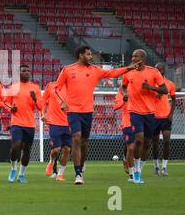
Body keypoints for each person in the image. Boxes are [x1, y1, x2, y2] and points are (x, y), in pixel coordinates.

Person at [55, 45, 139, 184]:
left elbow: (113, 72)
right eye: (88, 54)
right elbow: (57, 88)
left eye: (90, 54)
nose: (90, 57)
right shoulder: (68, 70)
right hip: (73, 110)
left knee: (84, 143)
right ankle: (78, 174)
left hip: (87, 111)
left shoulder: (95, 70)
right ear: (81, 55)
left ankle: (81, 168)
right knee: (76, 138)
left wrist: (129, 68)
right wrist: (62, 101)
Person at [121, 49, 167, 184]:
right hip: (134, 111)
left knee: (147, 143)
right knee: (139, 139)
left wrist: (150, 88)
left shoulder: (153, 72)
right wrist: (124, 94)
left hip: (150, 113)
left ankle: (139, 172)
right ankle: (135, 171)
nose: (134, 58)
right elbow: (123, 87)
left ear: (144, 59)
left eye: (136, 56)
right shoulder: (128, 71)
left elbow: (164, 90)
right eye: (133, 56)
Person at [4, 64, 43, 183]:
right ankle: (13, 168)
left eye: (28, 70)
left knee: (27, 149)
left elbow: (41, 107)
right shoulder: (13, 87)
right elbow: (5, 103)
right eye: (24, 71)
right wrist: (11, 109)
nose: (26, 72)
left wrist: (35, 99)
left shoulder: (35, 88)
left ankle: (21, 174)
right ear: (19, 73)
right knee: (16, 146)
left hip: (30, 124)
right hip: (16, 122)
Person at [42, 80, 71, 182]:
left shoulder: (72, 87)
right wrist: (43, 113)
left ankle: (60, 174)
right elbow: (43, 100)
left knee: (67, 149)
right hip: (54, 122)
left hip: (68, 123)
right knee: (56, 149)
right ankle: (51, 161)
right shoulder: (51, 85)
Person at [152, 62, 176, 176]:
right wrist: (155, 96)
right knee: (155, 143)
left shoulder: (170, 84)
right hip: (154, 116)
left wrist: (171, 113)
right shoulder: (152, 83)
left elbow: (174, 99)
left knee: (167, 141)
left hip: (166, 117)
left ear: (163, 70)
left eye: (160, 69)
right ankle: (156, 166)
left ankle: (164, 167)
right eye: (156, 69)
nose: (158, 71)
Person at [114, 87, 135, 182]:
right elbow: (116, 106)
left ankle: (134, 168)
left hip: (140, 121)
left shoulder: (137, 87)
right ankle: (132, 173)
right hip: (127, 123)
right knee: (130, 147)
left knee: (139, 146)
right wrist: (124, 100)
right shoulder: (121, 92)